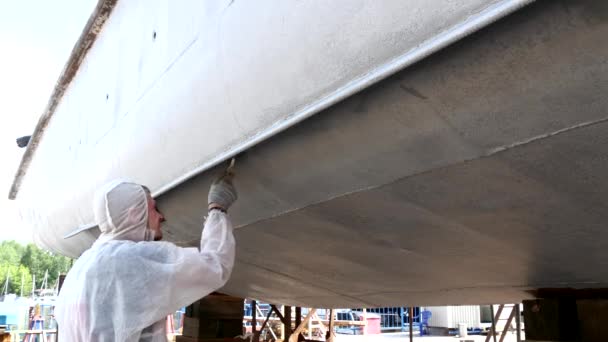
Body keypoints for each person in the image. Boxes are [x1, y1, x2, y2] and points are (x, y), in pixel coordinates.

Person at [55, 168, 238, 341]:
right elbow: (215, 266)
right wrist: (217, 209)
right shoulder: (131, 259)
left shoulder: (80, 269)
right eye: (153, 209)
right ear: (135, 214)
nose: (161, 217)